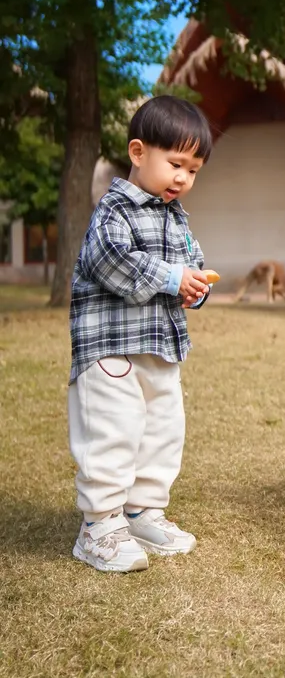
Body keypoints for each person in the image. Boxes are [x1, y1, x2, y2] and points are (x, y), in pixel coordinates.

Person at [68, 95, 213, 572]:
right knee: (113, 430)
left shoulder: (177, 217)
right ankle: (99, 525)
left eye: (193, 170)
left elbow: (191, 264)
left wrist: (196, 288)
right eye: (175, 164)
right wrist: (172, 278)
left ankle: (142, 511)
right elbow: (109, 261)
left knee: (162, 431)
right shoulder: (115, 209)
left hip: (160, 347)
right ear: (138, 152)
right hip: (111, 348)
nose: (183, 178)